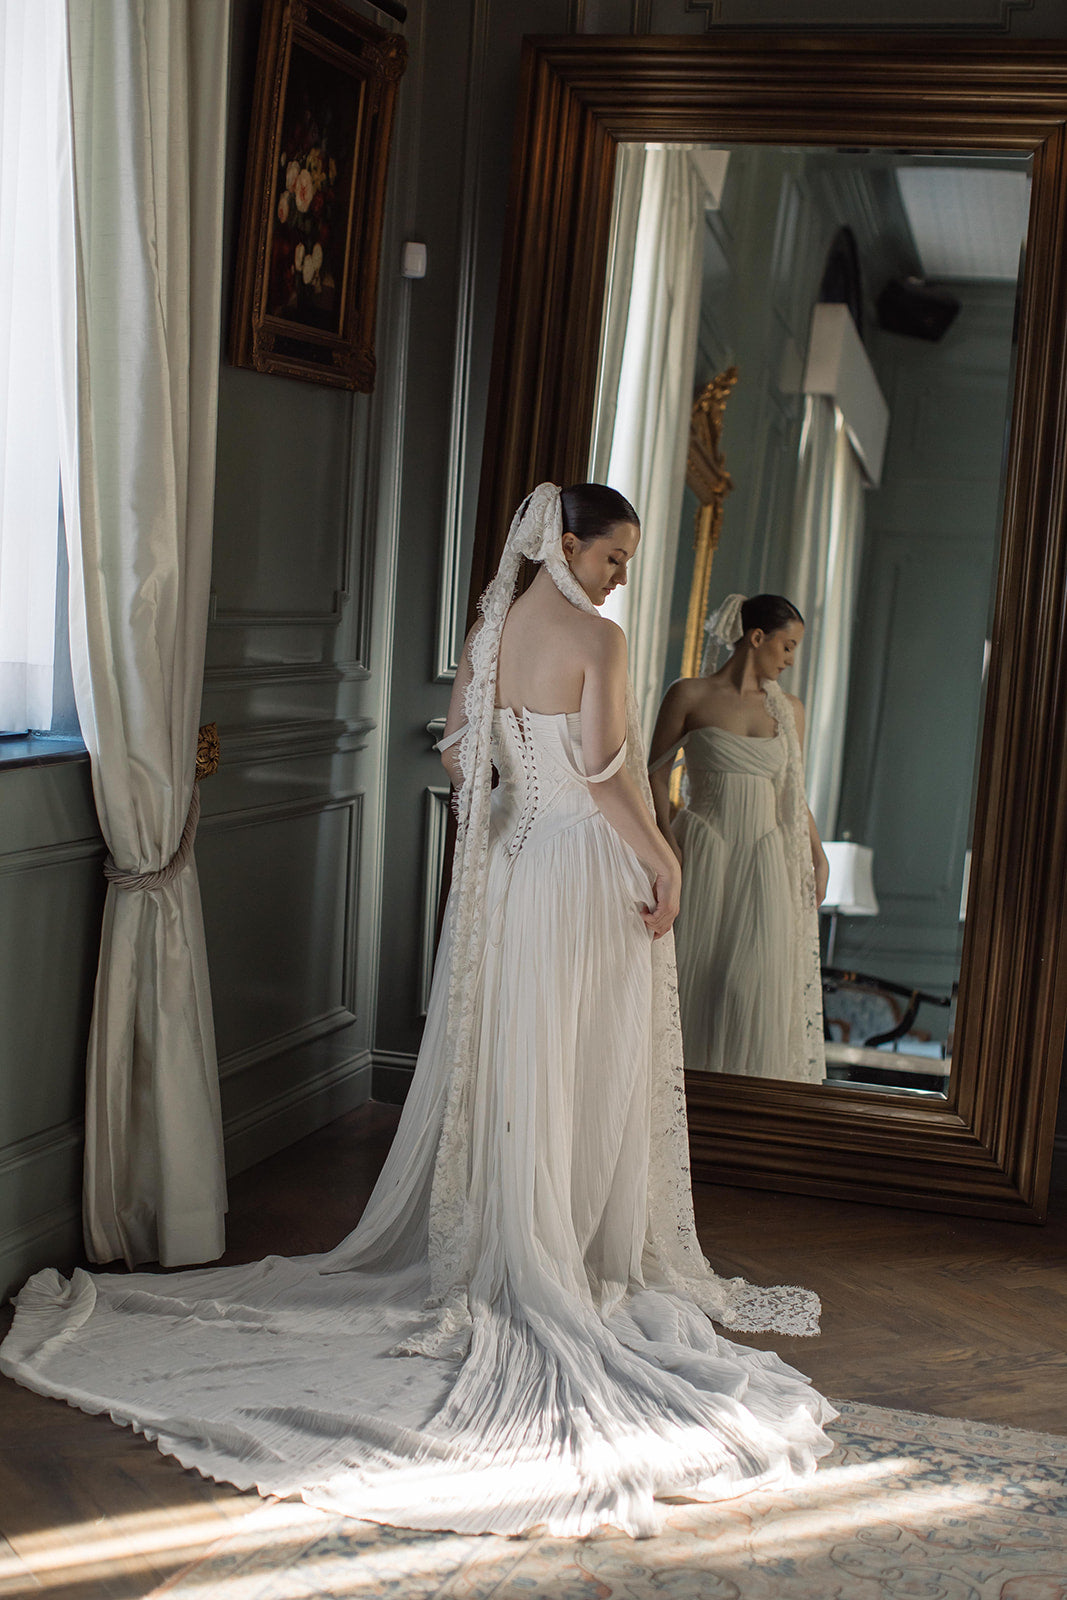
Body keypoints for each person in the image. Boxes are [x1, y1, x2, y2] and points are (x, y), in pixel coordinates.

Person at [0, 490, 834, 1539]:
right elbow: (610, 777)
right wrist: (661, 858)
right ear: (564, 543)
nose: (621, 574)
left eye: (626, 560)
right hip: (583, 867)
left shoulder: (495, 629)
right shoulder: (600, 640)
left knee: (525, 1053)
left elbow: (455, 753)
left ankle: (514, 1231)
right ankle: (559, 1251)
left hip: (519, 865)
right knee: (576, 1058)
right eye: (612, 554)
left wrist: (514, 811)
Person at [648, 593, 828, 1084]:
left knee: (752, 985)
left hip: (766, 854)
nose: (790, 660)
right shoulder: (689, 695)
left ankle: (750, 1110)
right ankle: (680, 1103)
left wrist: (818, 854)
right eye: (787, 647)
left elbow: (794, 790)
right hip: (703, 848)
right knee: (694, 977)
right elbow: (655, 778)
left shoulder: (790, 709)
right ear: (757, 638)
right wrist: (668, 846)